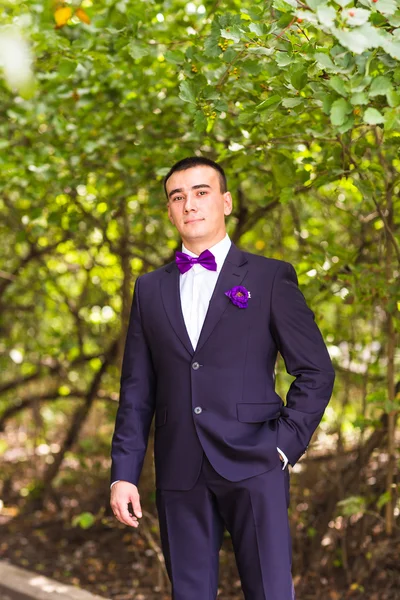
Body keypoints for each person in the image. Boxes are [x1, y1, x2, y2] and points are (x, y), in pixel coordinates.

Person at [110, 156, 335, 600]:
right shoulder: (149, 289)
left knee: (269, 591)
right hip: (179, 467)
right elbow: (136, 391)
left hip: (256, 460)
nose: (189, 204)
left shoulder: (270, 277)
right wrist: (124, 473)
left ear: (226, 202)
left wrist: (284, 445)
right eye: (178, 197)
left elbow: (315, 370)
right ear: (170, 211)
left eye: (201, 192)